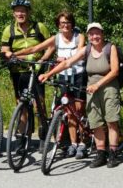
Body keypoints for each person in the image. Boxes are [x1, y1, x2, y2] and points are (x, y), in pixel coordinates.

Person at [39, 23, 122, 168]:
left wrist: (98, 84)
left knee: (111, 121)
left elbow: (114, 71)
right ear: (88, 36)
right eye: (91, 34)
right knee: (95, 122)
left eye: (97, 33)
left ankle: (113, 153)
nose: (94, 36)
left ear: (102, 34)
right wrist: (49, 74)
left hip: (109, 87)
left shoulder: (110, 48)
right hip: (91, 88)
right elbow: (67, 63)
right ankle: (101, 154)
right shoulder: (87, 49)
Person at [14, 9, 86, 156]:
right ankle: (73, 143)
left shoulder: (79, 37)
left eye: (68, 22)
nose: (65, 25)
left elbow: (80, 53)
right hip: (63, 76)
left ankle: (82, 143)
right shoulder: (57, 38)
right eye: (62, 23)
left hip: (78, 75)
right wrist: (13, 54)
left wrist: (65, 59)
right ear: (58, 25)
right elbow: (35, 48)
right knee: (69, 111)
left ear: (72, 24)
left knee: (79, 111)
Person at [0, 0, 51, 137]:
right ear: (13, 13)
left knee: (39, 104)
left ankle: (43, 134)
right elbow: (4, 50)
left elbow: (50, 46)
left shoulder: (39, 27)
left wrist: (43, 59)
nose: (20, 14)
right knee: (21, 103)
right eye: (17, 11)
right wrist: (8, 54)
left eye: (23, 11)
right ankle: (23, 134)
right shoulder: (9, 30)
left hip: (37, 69)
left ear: (28, 13)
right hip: (18, 71)